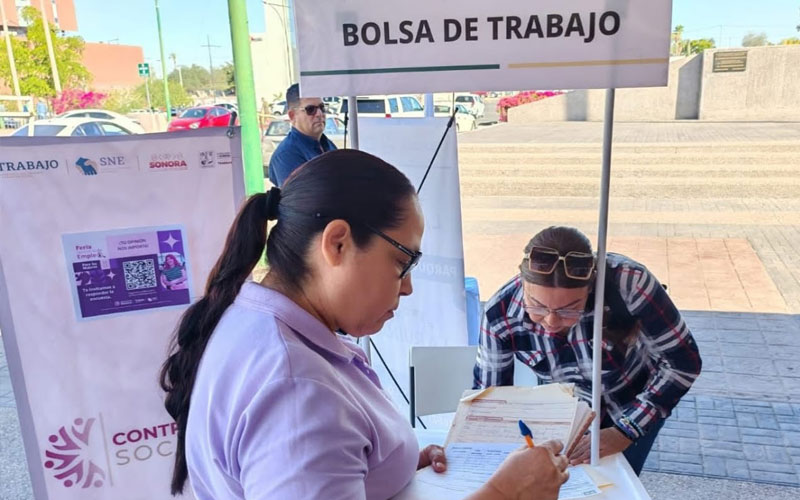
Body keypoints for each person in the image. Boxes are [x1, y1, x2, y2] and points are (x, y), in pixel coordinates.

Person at [160, 150, 570, 500]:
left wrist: (388, 465)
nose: (407, 287)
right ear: (337, 242)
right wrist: (503, 494)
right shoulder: (299, 393)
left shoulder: (254, 319)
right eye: (402, 262)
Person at [474, 226, 702, 475]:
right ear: (523, 282)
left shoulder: (628, 283)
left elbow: (683, 361)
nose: (551, 321)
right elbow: (492, 397)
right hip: (566, 410)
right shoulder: (500, 313)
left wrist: (626, 431)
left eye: (570, 309)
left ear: (591, 288)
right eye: (537, 306)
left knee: (618, 482)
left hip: (636, 403)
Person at [267, 83, 336, 187]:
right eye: (310, 109)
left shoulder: (327, 144)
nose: (319, 114)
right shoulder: (286, 155)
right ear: (292, 115)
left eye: (322, 108)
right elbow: (300, 200)